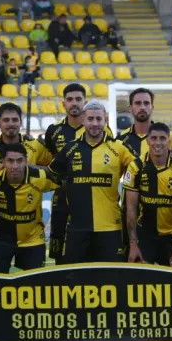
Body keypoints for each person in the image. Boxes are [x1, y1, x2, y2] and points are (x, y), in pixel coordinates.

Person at [48, 100, 135, 264]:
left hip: (110, 227)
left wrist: (170, 153)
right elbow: (50, 174)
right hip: (77, 228)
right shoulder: (70, 148)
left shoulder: (119, 148)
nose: (95, 124)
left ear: (106, 120)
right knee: (76, 280)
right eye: (90, 119)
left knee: (112, 276)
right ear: (82, 120)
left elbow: (142, 168)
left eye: (99, 119)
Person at [44, 84, 113, 264]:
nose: (74, 103)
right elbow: (48, 164)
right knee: (63, 257)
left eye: (78, 99)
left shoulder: (100, 129)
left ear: (85, 102)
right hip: (62, 200)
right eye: (70, 99)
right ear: (64, 103)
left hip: (94, 203)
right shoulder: (53, 130)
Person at [0, 103, 53, 241]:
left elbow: (54, 169)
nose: (11, 124)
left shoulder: (35, 146)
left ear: (21, 122)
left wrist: (32, 168)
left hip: (30, 225)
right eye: (6, 120)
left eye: (15, 120)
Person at [0, 144, 58, 273]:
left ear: (26, 160)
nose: (15, 166)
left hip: (33, 239)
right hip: (1, 239)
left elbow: (66, 180)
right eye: (10, 161)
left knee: (34, 284)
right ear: (3, 162)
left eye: (19, 161)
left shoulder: (40, 177)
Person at [124, 122, 172, 267]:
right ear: (147, 140)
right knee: (141, 273)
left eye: (162, 138)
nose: (158, 142)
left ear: (169, 140)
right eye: (154, 138)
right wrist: (133, 244)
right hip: (146, 234)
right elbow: (131, 207)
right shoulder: (136, 167)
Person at [117, 88, 172, 160]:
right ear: (130, 108)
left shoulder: (168, 136)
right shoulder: (120, 139)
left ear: (152, 108)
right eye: (138, 103)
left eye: (146, 103)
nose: (142, 107)